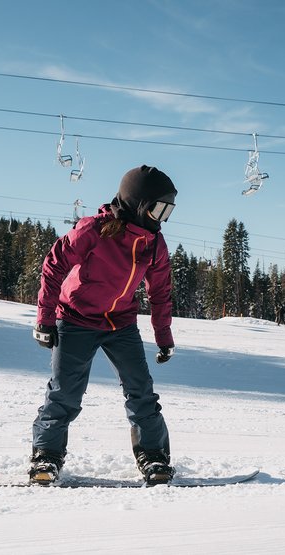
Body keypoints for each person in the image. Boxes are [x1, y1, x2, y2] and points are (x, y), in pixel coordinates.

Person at [30, 164, 178, 485]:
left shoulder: (153, 244)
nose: (162, 218)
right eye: (157, 209)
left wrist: (163, 336)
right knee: (65, 393)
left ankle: (154, 456)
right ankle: (46, 457)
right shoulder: (94, 230)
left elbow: (161, 292)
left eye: (168, 211)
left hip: (121, 323)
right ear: (138, 204)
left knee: (141, 392)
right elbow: (54, 265)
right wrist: (44, 318)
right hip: (75, 319)